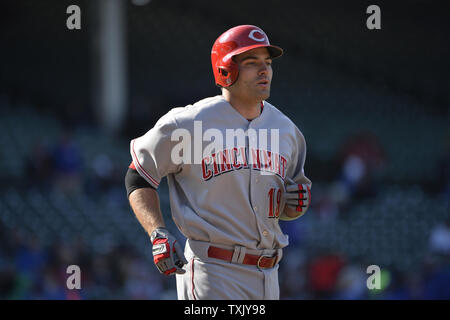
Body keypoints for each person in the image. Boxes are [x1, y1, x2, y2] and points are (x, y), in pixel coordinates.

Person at [125, 25, 312, 300]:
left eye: (268, 63)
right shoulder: (189, 124)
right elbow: (138, 176)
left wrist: (295, 206)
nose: (265, 70)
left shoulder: (287, 131)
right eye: (252, 63)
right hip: (212, 270)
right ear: (226, 70)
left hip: (270, 274)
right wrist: (158, 233)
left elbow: (290, 206)